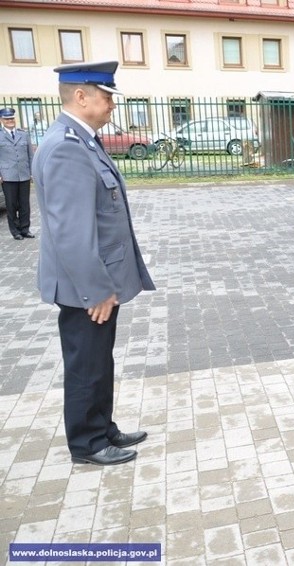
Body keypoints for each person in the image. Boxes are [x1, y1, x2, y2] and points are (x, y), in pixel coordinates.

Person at [32, 61, 154, 465]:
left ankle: (103, 428)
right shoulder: (67, 147)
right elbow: (71, 232)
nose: (112, 105)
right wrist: (96, 289)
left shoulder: (81, 140)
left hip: (95, 281)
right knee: (87, 363)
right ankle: (87, 443)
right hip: (87, 287)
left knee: (99, 359)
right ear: (81, 96)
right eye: (107, 97)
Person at [0, 107, 35, 240]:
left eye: (11, 118)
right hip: (7, 176)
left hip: (24, 174)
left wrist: (32, 172)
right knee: (11, 205)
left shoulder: (23, 134)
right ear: (1, 120)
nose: (10, 121)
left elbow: (30, 155)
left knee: (25, 204)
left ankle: (25, 229)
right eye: (7, 119)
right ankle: (15, 231)